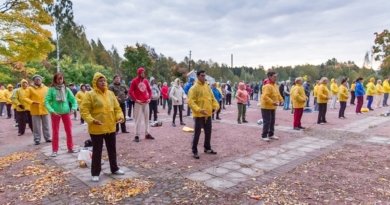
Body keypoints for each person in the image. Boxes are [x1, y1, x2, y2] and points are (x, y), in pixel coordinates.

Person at [80, 72, 125, 182]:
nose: (103, 82)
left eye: (104, 80)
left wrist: (119, 116)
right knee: (97, 151)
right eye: (100, 80)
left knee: (112, 149)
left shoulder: (110, 93)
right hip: (97, 128)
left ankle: (114, 168)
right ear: (95, 82)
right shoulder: (90, 94)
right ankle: (95, 173)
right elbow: (84, 111)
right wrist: (92, 120)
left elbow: (117, 108)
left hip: (110, 126)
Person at [188, 70, 219, 159]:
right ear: (197, 76)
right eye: (202, 75)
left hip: (208, 114)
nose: (204, 77)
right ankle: (194, 150)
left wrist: (216, 105)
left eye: (204, 75)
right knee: (197, 133)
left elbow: (212, 98)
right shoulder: (193, 88)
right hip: (199, 115)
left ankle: (207, 148)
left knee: (208, 132)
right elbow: (191, 102)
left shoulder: (207, 87)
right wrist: (199, 110)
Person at [45, 73, 78, 157]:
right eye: (58, 79)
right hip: (55, 113)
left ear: (63, 79)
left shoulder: (66, 89)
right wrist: (52, 111)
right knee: (55, 132)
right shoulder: (51, 89)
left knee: (69, 131)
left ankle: (70, 148)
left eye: (61, 79)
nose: (60, 80)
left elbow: (73, 100)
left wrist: (73, 108)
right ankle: (54, 150)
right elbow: (46, 101)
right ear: (55, 80)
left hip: (66, 112)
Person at [129, 67, 154, 143]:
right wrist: (136, 100)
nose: (144, 74)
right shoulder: (134, 81)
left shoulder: (146, 81)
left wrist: (149, 98)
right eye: (142, 72)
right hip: (138, 103)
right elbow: (130, 91)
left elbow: (149, 90)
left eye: (144, 72)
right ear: (139, 73)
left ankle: (147, 133)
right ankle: (137, 135)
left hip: (146, 102)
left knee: (147, 119)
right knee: (138, 119)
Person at [24, 75, 51, 145]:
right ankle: (37, 139)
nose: (38, 81)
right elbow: (25, 98)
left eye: (39, 79)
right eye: (36, 80)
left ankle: (48, 138)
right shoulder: (30, 89)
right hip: (35, 110)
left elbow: (50, 97)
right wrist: (32, 102)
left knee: (46, 125)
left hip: (44, 109)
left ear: (41, 80)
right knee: (36, 126)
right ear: (34, 81)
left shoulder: (46, 88)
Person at [260, 71, 283, 141]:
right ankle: (264, 135)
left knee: (272, 121)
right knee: (267, 121)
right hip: (266, 107)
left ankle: (271, 134)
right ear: (270, 77)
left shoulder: (275, 85)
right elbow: (265, 97)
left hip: (273, 106)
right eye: (274, 76)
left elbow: (278, 94)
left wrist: (281, 100)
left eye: (276, 76)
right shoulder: (267, 85)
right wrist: (273, 102)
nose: (276, 78)